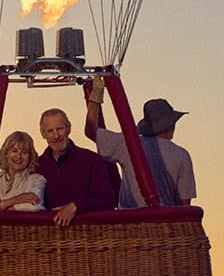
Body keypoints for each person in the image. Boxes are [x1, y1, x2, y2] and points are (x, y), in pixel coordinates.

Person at [84, 79, 196, 207]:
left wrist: (95, 96)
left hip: (129, 221)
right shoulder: (182, 155)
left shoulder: (128, 144)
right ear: (171, 125)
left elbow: (91, 130)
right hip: (164, 222)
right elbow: (184, 204)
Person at [36, 108, 116, 226]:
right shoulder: (37, 165)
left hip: (86, 235)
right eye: (50, 131)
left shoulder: (92, 160)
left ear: (68, 128)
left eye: (60, 129)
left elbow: (108, 200)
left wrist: (76, 206)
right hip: (47, 237)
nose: (56, 135)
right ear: (43, 134)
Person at [0, 131, 46, 211]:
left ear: (30, 156)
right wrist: (16, 200)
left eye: (24, 152)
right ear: (6, 153)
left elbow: (34, 206)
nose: (19, 156)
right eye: (14, 151)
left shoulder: (37, 180)